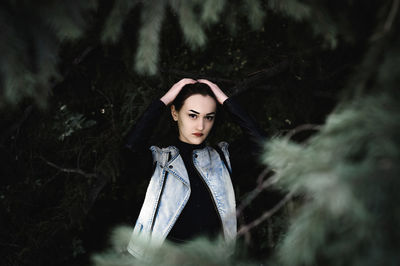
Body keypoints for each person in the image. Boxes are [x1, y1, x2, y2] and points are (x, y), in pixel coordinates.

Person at [123, 78, 266, 260]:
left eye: (209, 117)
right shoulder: (160, 160)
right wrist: (166, 99)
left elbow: (264, 147)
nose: (201, 126)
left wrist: (223, 97)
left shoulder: (222, 158)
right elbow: (130, 148)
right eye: (192, 115)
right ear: (175, 113)